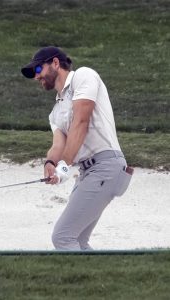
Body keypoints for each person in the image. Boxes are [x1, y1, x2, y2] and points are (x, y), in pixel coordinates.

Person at [21, 46, 133, 250]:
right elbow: (58, 144)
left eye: (38, 70)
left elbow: (81, 121)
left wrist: (64, 166)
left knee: (63, 237)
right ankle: (101, 280)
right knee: (78, 241)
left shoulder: (83, 76)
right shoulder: (55, 112)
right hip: (89, 172)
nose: (36, 77)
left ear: (55, 63)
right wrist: (50, 163)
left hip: (106, 166)